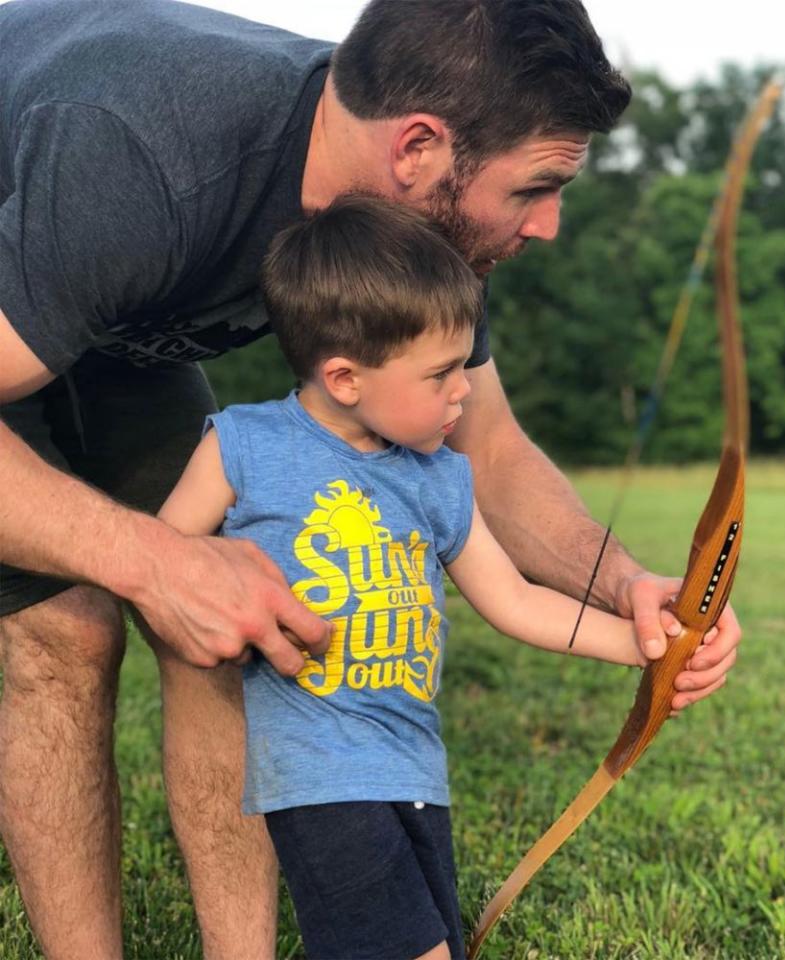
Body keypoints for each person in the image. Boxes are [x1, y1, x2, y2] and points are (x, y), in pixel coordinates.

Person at [0, 1, 740, 957]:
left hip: (120, 317)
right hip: (32, 262)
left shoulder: (427, 238)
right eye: (538, 187)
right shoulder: (144, 157)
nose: (550, 225)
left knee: (232, 620)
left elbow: (492, 449)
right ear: (420, 148)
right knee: (66, 628)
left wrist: (630, 588)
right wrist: (150, 562)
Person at [161, 194, 659, 960]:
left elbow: (516, 599)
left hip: (415, 766)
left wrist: (643, 646)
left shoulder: (438, 477)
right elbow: (162, 561)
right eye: (442, 374)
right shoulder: (243, 447)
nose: (465, 391)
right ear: (345, 377)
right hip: (316, 772)